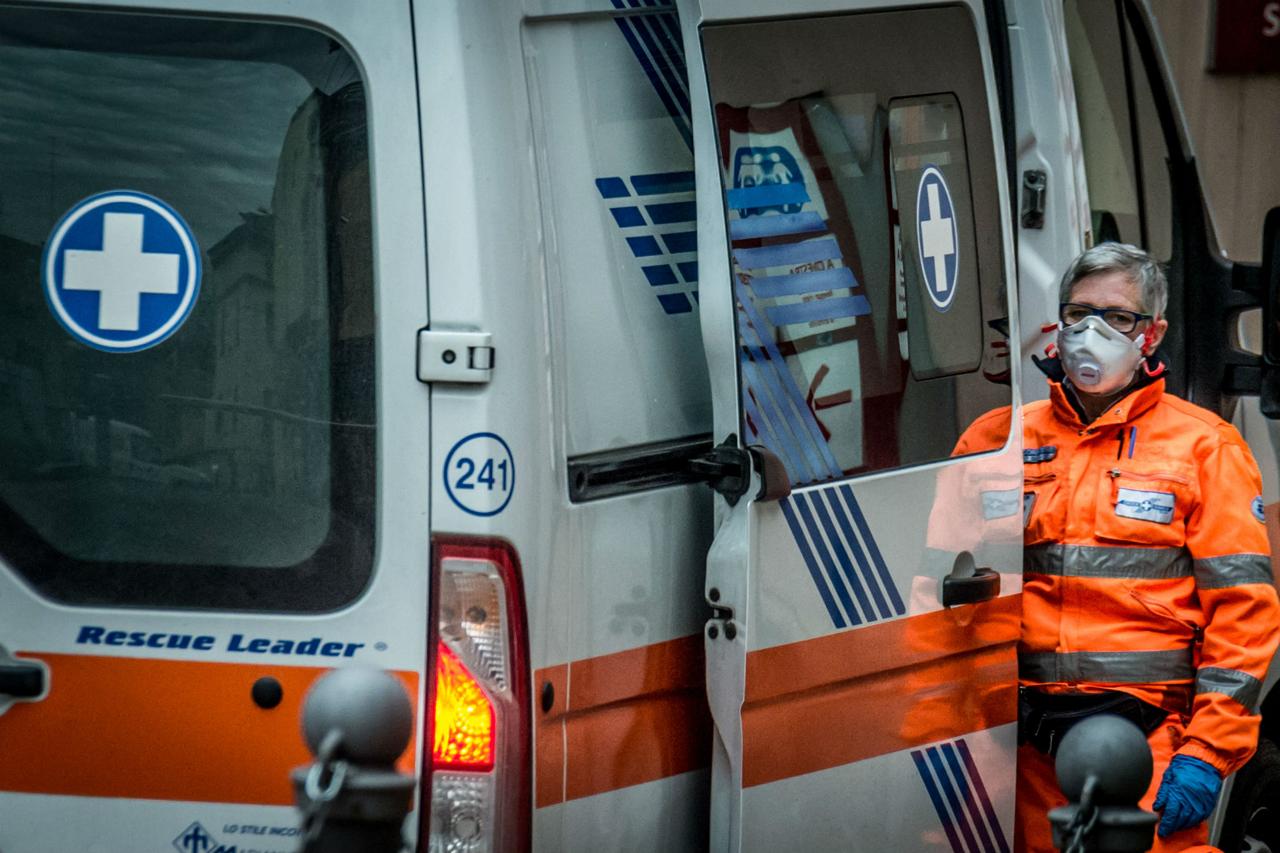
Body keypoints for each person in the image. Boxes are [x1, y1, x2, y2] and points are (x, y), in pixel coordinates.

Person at [958, 243, 1280, 852]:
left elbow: (1243, 619)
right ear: (1057, 325)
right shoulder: (994, 443)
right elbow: (940, 605)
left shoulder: (1205, 448)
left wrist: (1207, 752)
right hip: (1020, 749)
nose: (1093, 332)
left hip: (1149, 748)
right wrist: (942, 737)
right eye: (1079, 314)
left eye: (1119, 318)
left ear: (1152, 335)